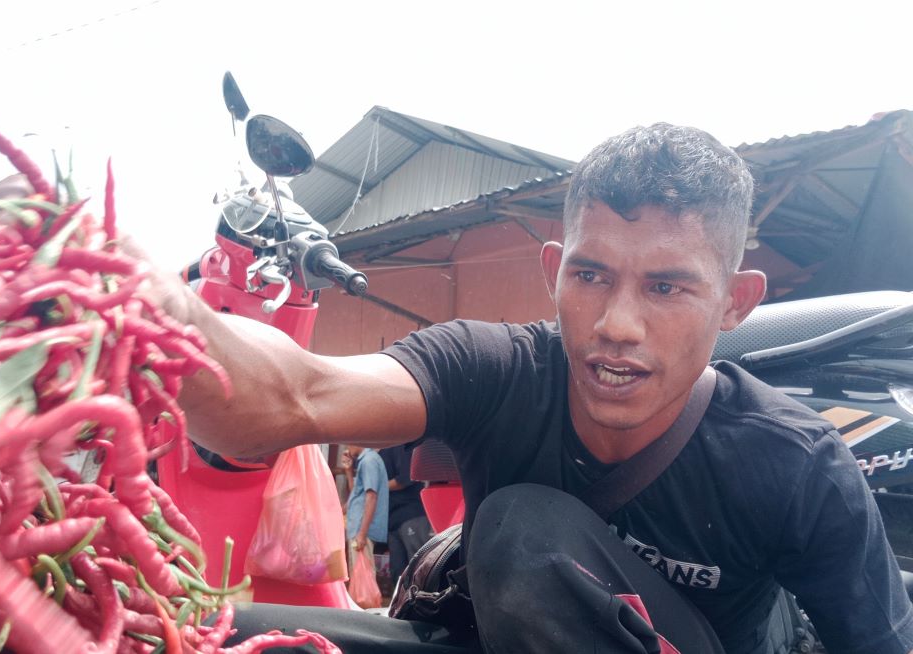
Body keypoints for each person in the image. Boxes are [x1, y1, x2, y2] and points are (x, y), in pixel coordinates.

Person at [139, 123, 913, 653]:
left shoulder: (795, 463)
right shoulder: (495, 368)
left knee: (523, 534)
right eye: (591, 275)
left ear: (736, 303)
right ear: (553, 273)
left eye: (667, 289)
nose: (617, 324)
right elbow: (296, 397)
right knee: (180, 633)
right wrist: (138, 298)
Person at [378, 444, 432, 583]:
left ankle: (423, 602)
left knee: (418, 565)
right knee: (397, 570)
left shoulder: (401, 445)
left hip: (411, 515)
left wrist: (374, 487)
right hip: (392, 521)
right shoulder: (379, 452)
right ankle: (400, 602)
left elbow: (405, 478)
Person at [342, 445, 389, 577]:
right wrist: (348, 471)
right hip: (359, 528)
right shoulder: (366, 460)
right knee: (358, 575)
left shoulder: (369, 461)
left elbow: (372, 496)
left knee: (362, 576)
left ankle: (363, 599)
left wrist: (362, 533)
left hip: (362, 528)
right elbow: (356, 493)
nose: (346, 448)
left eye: (348, 442)